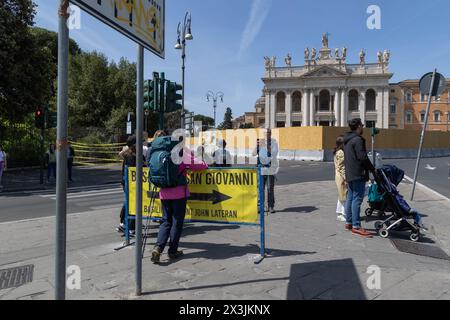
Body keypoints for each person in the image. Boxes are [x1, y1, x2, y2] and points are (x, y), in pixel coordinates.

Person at [151, 135, 208, 264]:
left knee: (165, 221)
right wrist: (205, 165)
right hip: (179, 193)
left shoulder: (162, 151)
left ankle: (158, 248)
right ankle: (172, 251)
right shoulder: (182, 151)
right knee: (177, 222)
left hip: (164, 192)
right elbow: (198, 165)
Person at [343, 119, 375, 237]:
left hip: (350, 173)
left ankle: (348, 222)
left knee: (350, 198)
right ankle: (356, 226)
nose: (363, 127)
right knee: (357, 199)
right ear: (357, 126)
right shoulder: (358, 140)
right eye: (362, 125)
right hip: (358, 173)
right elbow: (363, 157)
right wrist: (372, 169)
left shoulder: (346, 140)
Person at [253, 130, 279, 214]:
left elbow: (274, 153)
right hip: (261, 168)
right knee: (261, 188)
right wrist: (257, 146)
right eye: (265, 133)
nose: (267, 134)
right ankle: (261, 206)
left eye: (268, 133)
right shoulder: (260, 142)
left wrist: (267, 146)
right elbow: (253, 153)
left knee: (270, 188)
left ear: (270, 134)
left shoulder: (274, 142)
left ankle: (271, 206)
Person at [117, 135, 139, 235]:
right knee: (132, 204)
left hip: (128, 183)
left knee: (128, 203)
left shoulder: (130, 155)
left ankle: (124, 224)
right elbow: (132, 171)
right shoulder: (132, 156)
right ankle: (128, 226)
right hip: (131, 184)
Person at [334, 136, 347, 222]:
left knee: (341, 195)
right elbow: (342, 167)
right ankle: (343, 214)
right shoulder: (341, 152)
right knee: (344, 196)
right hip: (342, 176)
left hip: (338, 176)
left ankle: (339, 213)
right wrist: (346, 178)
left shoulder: (336, 151)